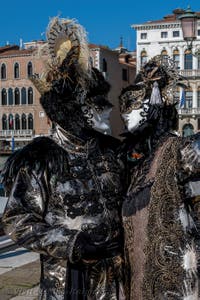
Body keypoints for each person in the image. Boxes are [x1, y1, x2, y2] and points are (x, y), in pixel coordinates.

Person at [1, 17, 125, 300]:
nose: (106, 112)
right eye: (96, 106)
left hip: (113, 281)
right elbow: (17, 220)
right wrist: (72, 244)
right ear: (74, 110)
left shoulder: (109, 153)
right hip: (67, 282)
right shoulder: (42, 160)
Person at [119, 55, 200, 299]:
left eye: (135, 106)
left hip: (175, 278)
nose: (126, 115)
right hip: (138, 276)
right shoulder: (132, 160)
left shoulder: (177, 150)